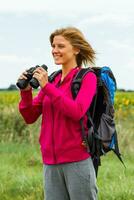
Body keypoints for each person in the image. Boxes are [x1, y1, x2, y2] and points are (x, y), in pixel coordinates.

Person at [18, 27, 98, 200]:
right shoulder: (53, 79)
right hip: (50, 163)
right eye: (53, 46)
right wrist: (25, 92)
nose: (54, 50)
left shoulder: (87, 78)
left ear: (76, 49)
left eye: (60, 46)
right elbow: (30, 116)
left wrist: (47, 87)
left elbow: (77, 111)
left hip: (77, 161)